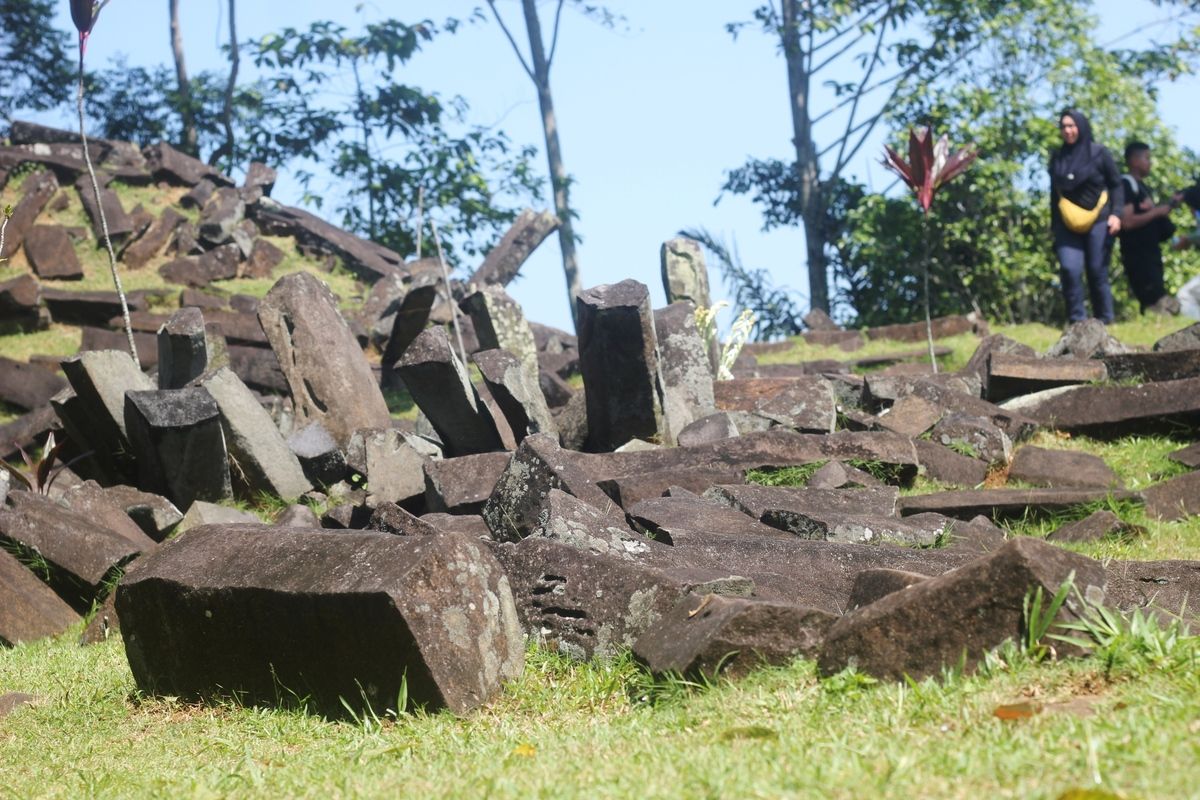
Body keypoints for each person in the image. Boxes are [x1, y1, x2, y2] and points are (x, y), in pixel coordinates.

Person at [1049, 109, 1124, 323]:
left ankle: (1105, 320)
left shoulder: (1099, 153)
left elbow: (1116, 184)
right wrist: (1054, 226)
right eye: (1063, 126)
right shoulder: (1058, 157)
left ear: (1081, 127)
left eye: (1071, 125)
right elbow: (1053, 195)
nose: (1067, 130)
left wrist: (1116, 214)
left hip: (1099, 220)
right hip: (1066, 223)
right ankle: (1077, 322)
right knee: (1069, 269)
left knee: (1096, 270)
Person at [1118, 142, 1180, 314]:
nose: (1149, 163)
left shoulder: (1143, 187)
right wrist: (1156, 212)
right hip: (1138, 254)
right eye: (1147, 158)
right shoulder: (1126, 184)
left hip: (1151, 252)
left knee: (1158, 294)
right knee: (1152, 299)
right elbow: (1127, 222)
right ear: (1134, 160)